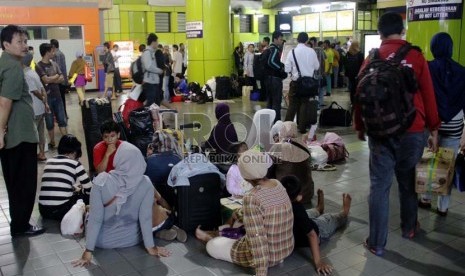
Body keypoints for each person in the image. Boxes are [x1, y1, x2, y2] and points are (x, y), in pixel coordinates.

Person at [354, 12, 441, 256]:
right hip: (413, 131)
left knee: (379, 187)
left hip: (381, 132)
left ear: (379, 32)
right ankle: (409, 227)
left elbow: (359, 93)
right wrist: (434, 128)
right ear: (402, 30)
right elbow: (428, 94)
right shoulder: (415, 56)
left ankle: (377, 243)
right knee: (408, 182)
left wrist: (360, 126)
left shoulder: (371, 58)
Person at [72, 142, 171, 267]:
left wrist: (88, 252)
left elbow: (95, 219)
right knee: (159, 211)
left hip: (102, 242)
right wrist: (151, 247)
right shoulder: (145, 183)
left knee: (90, 212)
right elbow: (145, 218)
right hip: (132, 240)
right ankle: (166, 229)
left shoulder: (101, 181)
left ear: (118, 160)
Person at [197, 149, 294, 276]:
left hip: (266, 257)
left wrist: (261, 273)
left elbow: (257, 239)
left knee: (211, 246)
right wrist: (236, 215)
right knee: (239, 220)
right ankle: (221, 233)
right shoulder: (277, 184)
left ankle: (212, 237)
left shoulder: (252, 197)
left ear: (244, 175)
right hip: (285, 249)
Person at [0, 25, 45, 237]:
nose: (24, 46)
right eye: (19, 42)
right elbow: (5, 102)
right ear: (6, 44)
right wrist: (0, 130)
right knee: (24, 182)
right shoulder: (13, 68)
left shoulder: (4, 63)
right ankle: (21, 225)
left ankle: (18, 223)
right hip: (19, 135)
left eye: (25, 41)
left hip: (13, 135)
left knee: (14, 181)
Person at [418, 32, 465, 216]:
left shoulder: (427, 68)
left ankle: (426, 198)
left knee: (429, 160)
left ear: (433, 47)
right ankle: (443, 207)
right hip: (455, 125)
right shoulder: (462, 71)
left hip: (432, 125)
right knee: (446, 166)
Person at [281, 175, 351, 275]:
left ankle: (318, 209)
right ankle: (344, 213)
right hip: (318, 229)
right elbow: (312, 235)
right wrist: (318, 262)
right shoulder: (298, 209)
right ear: (299, 196)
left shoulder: (279, 205)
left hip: (299, 223)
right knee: (329, 218)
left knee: (307, 213)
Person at [39, 134, 92, 220]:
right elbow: (89, 188)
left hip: (43, 210)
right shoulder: (75, 164)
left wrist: (73, 189)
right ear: (75, 152)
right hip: (61, 210)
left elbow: (57, 185)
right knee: (86, 194)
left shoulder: (49, 161)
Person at [268, 121, 314, 203]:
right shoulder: (304, 146)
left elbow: (269, 170)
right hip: (307, 195)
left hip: (287, 197)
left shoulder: (278, 148)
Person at [284, 32, 320, 134]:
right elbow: (317, 67)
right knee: (305, 104)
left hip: (296, 83)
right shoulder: (311, 51)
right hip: (308, 84)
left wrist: (293, 73)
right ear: (306, 40)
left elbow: (287, 69)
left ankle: (287, 128)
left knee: (292, 105)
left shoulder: (292, 52)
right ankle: (302, 128)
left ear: (297, 40)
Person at [36, 42, 68, 149]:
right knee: (49, 122)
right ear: (46, 52)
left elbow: (62, 78)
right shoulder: (38, 66)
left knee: (62, 119)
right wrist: (55, 77)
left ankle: (66, 141)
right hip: (47, 98)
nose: (54, 53)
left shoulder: (54, 64)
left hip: (58, 96)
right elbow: (45, 79)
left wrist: (51, 79)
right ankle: (52, 141)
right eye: (52, 51)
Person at [23, 52, 49, 162]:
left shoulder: (27, 75)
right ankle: (42, 153)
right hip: (40, 108)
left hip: (34, 109)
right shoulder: (33, 73)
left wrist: (43, 99)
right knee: (41, 131)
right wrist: (45, 103)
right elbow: (43, 89)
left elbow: (34, 91)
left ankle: (34, 154)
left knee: (34, 133)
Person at [265, 31, 286, 122]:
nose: (281, 41)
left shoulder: (269, 48)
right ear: (275, 39)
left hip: (268, 79)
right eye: (280, 39)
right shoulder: (275, 49)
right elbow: (271, 62)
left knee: (270, 102)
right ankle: (276, 122)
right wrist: (280, 67)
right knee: (276, 102)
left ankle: (269, 121)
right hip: (275, 80)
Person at [141, 33, 163, 106]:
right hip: (149, 82)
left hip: (154, 82)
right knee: (151, 103)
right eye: (157, 42)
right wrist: (159, 71)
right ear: (153, 42)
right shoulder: (147, 52)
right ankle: (146, 116)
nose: (157, 44)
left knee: (156, 102)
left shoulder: (152, 52)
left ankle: (154, 117)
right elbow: (148, 66)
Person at [50, 39, 69, 118]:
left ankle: (60, 115)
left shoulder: (56, 55)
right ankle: (64, 114)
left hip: (58, 81)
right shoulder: (62, 53)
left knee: (58, 99)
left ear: (53, 46)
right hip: (63, 80)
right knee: (62, 99)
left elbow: (57, 68)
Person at [344, 41, 364, 106]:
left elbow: (346, 64)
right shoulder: (360, 54)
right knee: (357, 87)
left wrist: (346, 73)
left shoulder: (348, 53)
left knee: (352, 87)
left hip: (350, 74)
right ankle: (357, 102)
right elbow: (362, 65)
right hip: (358, 74)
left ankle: (352, 102)